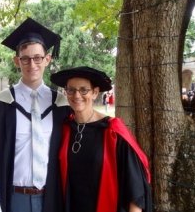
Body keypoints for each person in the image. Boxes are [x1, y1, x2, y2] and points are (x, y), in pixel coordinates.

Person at [0, 17, 71, 212]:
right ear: (17, 61)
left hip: (53, 199)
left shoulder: (62, 106)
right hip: (15, 199)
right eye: (25, 58)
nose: (32, 64)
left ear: (47, 59)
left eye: (38, 57)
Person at [50, 66, 152, 212]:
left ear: (95, 92)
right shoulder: (65, 129)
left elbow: (134, 187)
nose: (76, 95)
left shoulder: (113, 131)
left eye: (84, 90)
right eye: (71, 90)